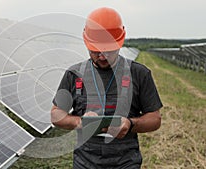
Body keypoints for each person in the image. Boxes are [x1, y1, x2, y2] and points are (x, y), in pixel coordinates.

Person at [51, 7, 162, 169]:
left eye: (108, 51)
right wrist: (81, 122)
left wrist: (130, 124)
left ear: (120, 42)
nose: (102, 56)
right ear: (86, 43)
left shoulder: (139, 73)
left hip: (125, 162)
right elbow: (55, 115)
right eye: (96, 51)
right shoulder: (74, 75)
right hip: (85, 162)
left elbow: (155, 119)